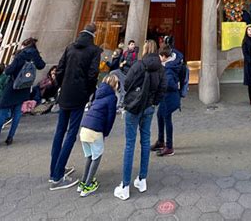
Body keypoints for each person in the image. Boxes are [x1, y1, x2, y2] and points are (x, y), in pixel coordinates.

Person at [49, 23, 101, 190]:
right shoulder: (94, 50)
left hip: (65, 93)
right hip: (79, 95)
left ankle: (54, 170)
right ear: (94, 34)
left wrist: (60, 85)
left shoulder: (70, 47)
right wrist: (89, 92)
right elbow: (93, 75)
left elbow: (59, 69)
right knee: (71, 134)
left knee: (59, 131)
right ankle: (57, 176)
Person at [114, 40, 166, 200]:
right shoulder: (160, 69)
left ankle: (125, 185)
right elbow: (162, 88)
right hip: (149, 108)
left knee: (130, 144)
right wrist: (154, 102)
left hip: (134, 107)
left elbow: (127, 82)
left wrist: (132, 97)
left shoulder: (138, 65)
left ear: (144, 50)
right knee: (145, 141)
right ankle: (142, 179)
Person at [0, 37, 45, 149]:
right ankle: (10, 137)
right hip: (24, 88)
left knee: (3, 112)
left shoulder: (20, 55)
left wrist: (7, 67)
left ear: (24, 45)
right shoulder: (35, 55)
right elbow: (41, 65)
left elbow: (9, 70)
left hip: (12, 87)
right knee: (17, 113)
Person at [78, 73, 118, 197]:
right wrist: (106, 132)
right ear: (114, 84)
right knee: (97, 157)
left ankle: (83, 182)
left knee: (89, 156)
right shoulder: (112, 97)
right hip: (96, 130)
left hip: (84, 128)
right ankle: (88, 185)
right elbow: (110, 117)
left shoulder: (98, 94)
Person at [152, 43, 183, 156]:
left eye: (160, 56)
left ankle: (169, 147)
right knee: (160, 115)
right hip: (167, 96)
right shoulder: (172, 61)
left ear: (165, 56)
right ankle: (161, 141)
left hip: (170, 96)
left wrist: (159, 84)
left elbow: (170, 84)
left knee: (166, 118)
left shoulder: (168, 68)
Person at [241, 25, 251, 105]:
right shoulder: (245, 41)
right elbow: (245, 54)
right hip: (249, 65)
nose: (250, 31)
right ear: (246, 31)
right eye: (248, 30)